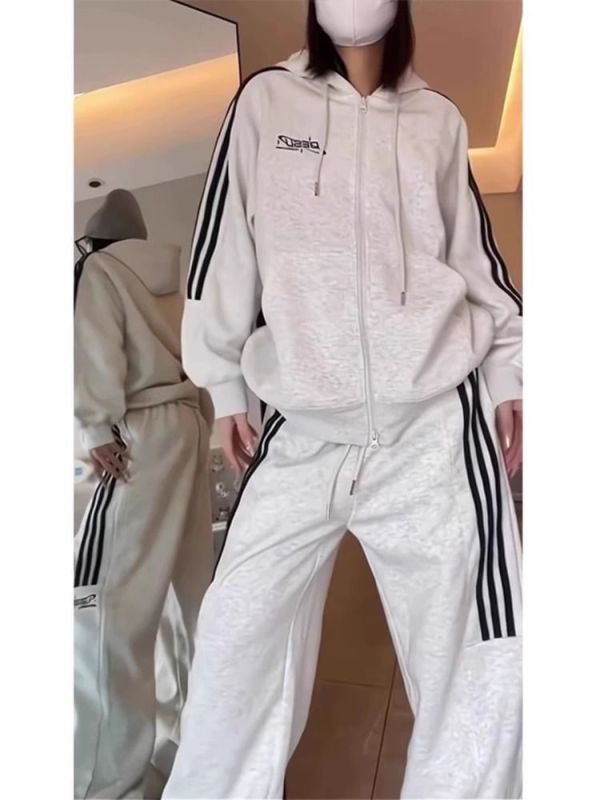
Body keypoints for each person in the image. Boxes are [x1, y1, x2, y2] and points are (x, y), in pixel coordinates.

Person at [164, 0, 523, 796]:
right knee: (234, 640)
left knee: (483, 661)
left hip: (434, 420)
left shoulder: (437, 119)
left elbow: (477, 261)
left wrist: (509, 377)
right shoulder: (266, 102)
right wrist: (223, 383)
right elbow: (222, 246)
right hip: (300, 422)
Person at [73, 189, 214, 798]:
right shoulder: (175, 281)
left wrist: (94, 426)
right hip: (187, 423)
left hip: (136, 433)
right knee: (189, 604)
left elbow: (95, 349)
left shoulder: (101, 271)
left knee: (105, 611)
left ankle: (109, 783)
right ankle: (190, 756)